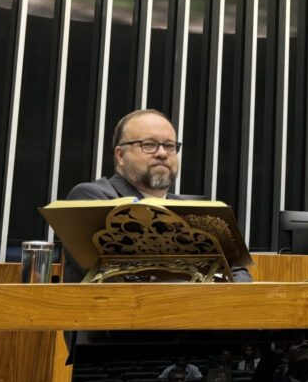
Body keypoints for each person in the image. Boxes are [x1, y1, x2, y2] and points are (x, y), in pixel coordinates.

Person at [62, 109, 251, 283]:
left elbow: (238, 273)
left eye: (169, 146)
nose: (162, 153)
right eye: (149, 145)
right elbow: (113, 279)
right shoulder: (92, 197)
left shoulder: (197, 209)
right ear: (120, 156)